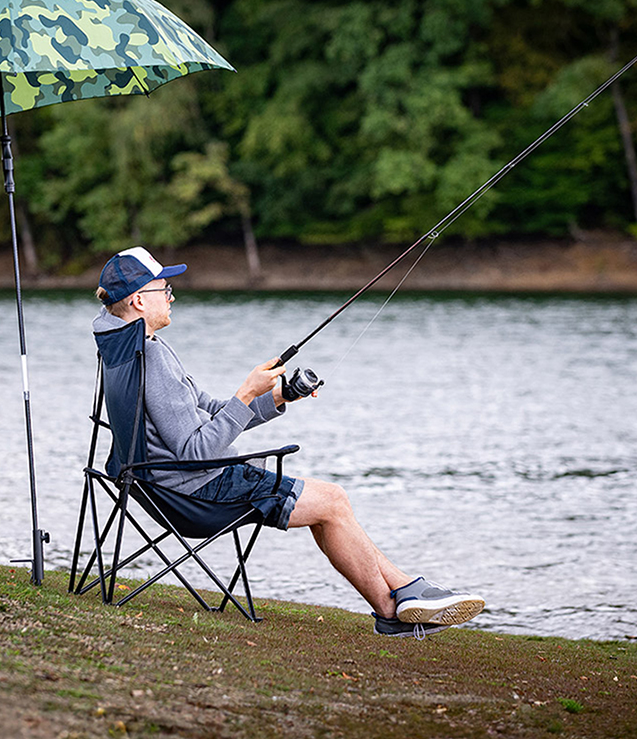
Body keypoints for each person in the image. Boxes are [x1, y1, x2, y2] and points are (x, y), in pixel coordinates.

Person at [94, 246, 486, 638]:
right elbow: (195, 450)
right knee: (332, 502)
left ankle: (405, 592)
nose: (172, 294)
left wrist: (280, 394)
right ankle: (393, 606)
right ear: (139, 299)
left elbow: (208, 410)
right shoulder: (151, 356)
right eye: (165, 288)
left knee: (331, 504)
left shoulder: (128, 347)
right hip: (198, 492)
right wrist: (246, 393)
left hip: (167, 484)